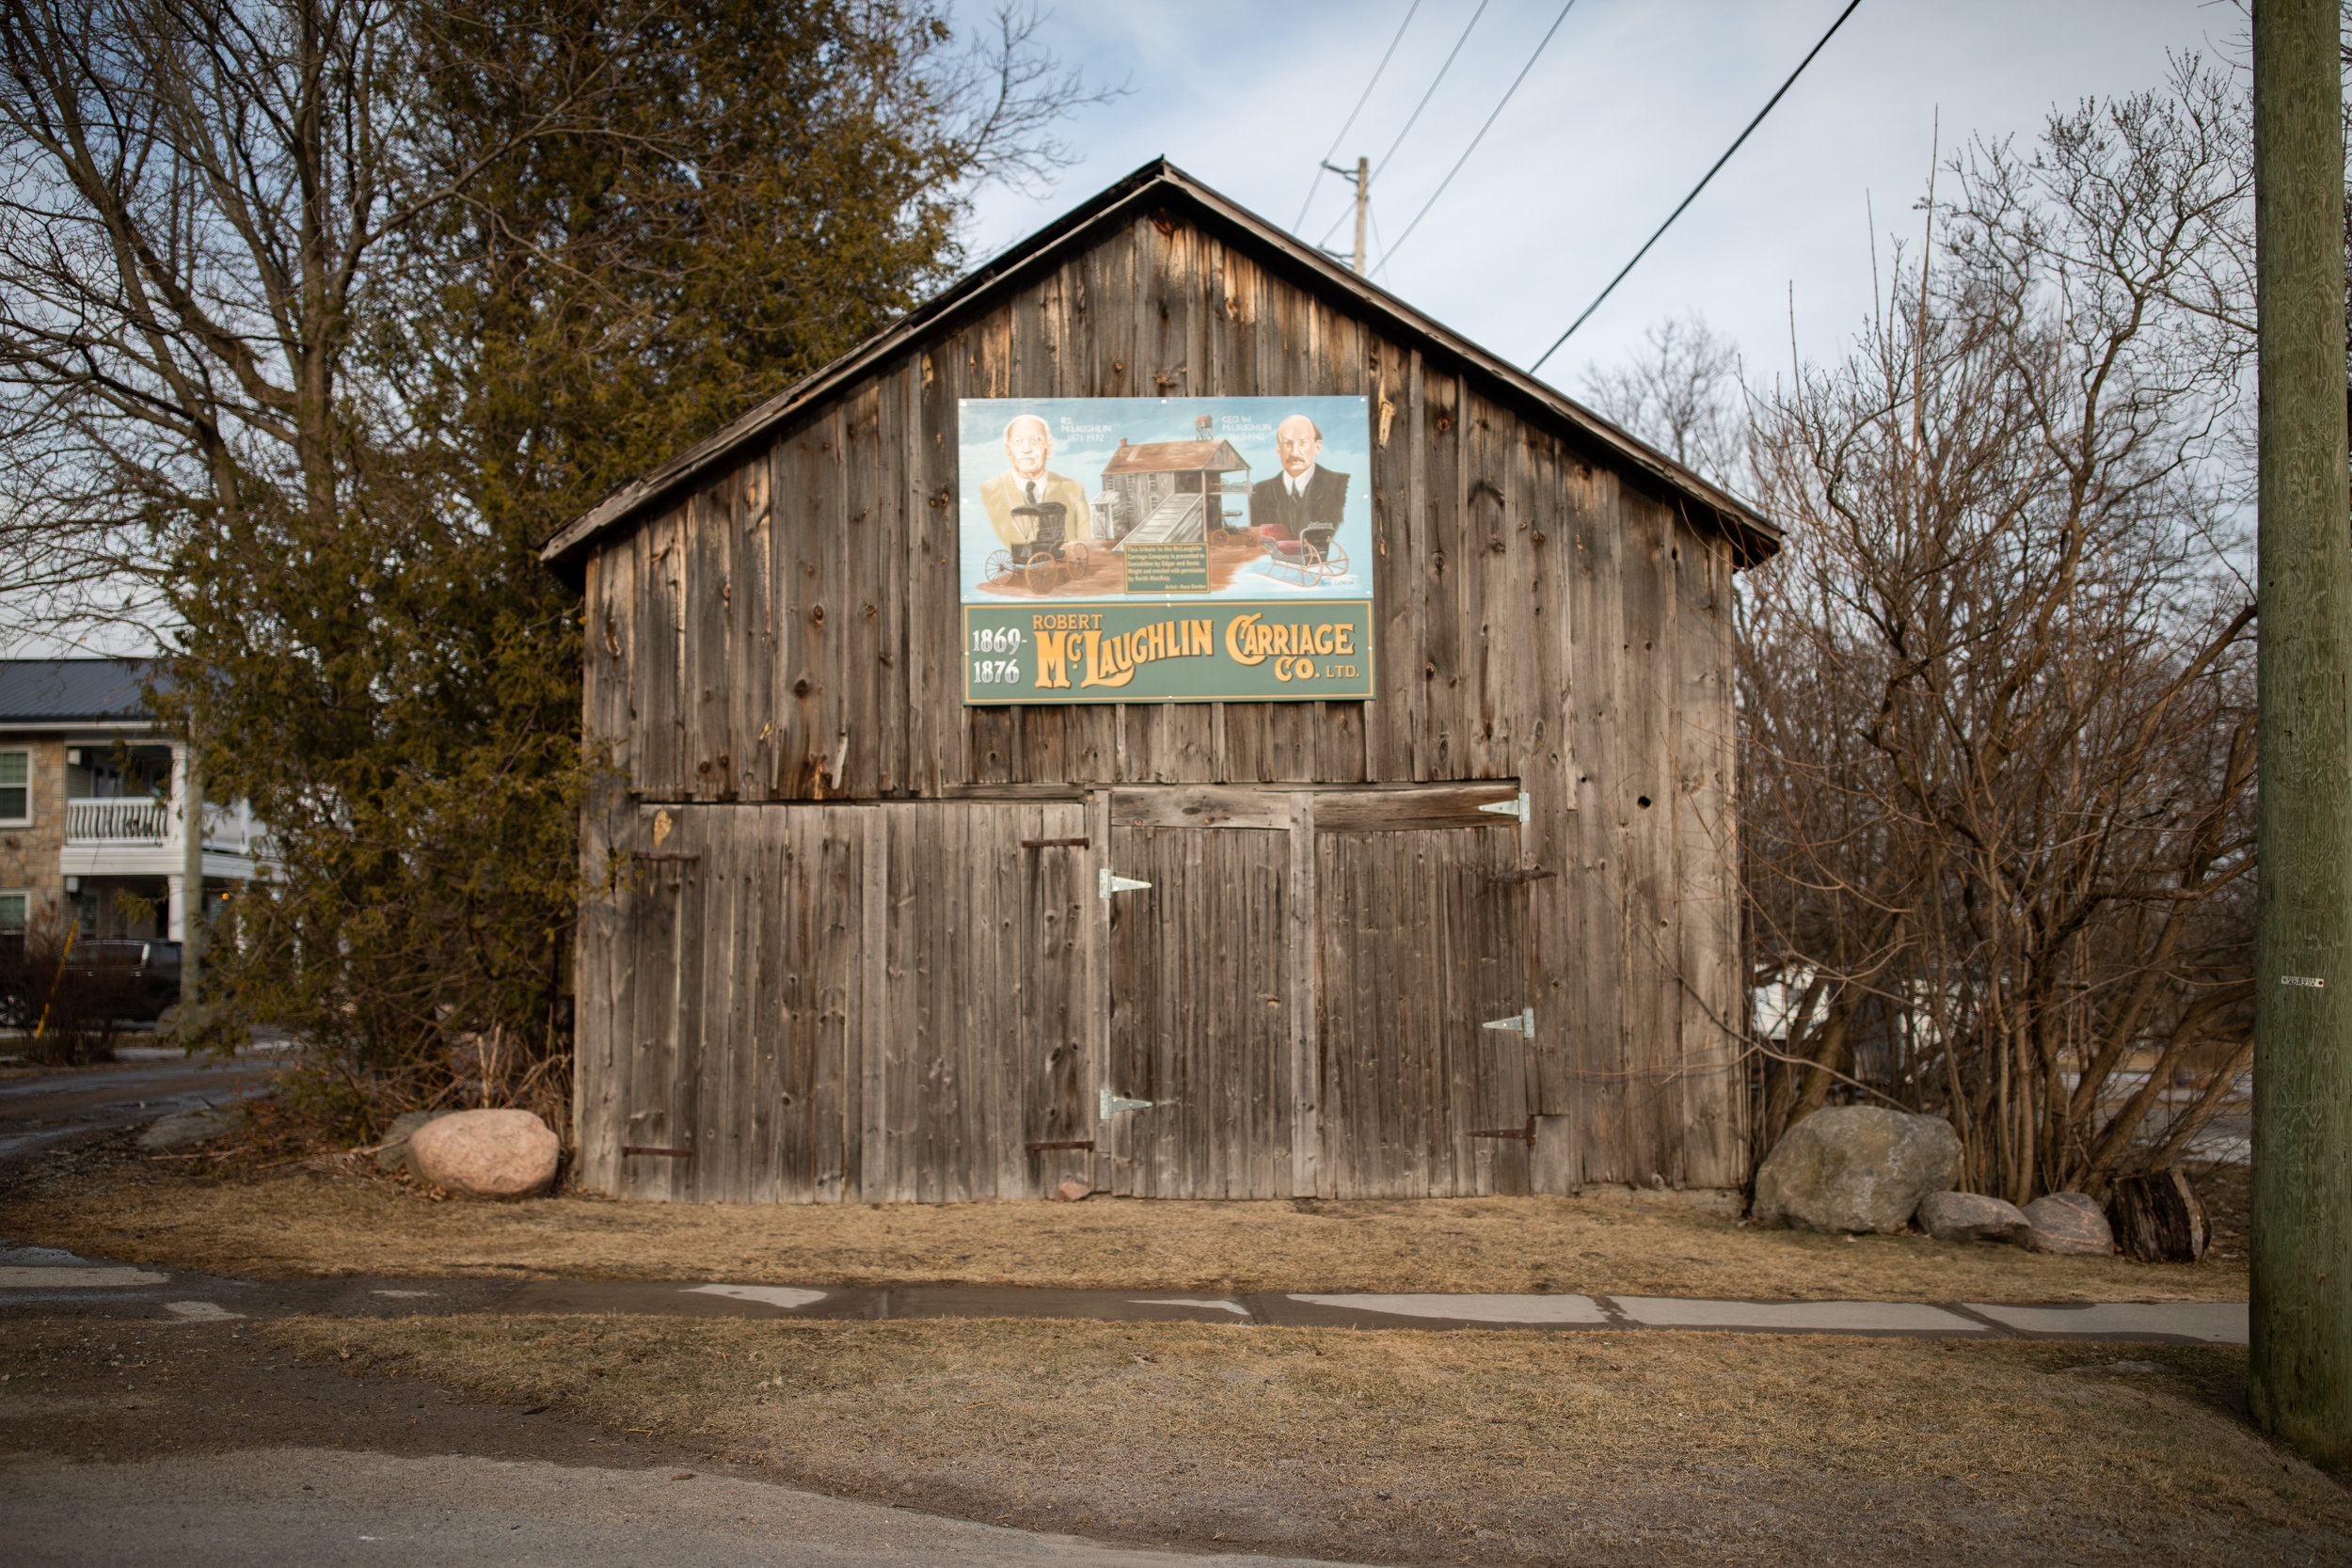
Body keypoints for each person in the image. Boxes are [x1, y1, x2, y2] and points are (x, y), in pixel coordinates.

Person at [979, 416, 1092, 551]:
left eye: (1035, 440)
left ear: (1048, 449)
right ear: (1008, 451)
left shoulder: (1074, 489)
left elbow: (1086, 544)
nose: (1026, 449)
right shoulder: (989, 490)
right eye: (1017, 441)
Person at [1248, 414, 1349, 546]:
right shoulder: (1260, 492)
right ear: (1279, 449)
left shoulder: (1341, 485)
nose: (1294, 452)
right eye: (1287, 443)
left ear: (1317, 447)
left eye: (1302, 443)